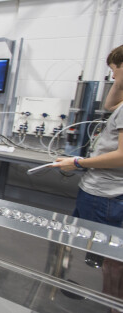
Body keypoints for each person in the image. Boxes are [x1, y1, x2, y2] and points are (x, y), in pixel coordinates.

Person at [51, 44, 123, 227]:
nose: (113, 76)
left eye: (114, 70)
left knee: (97, 251)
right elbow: (110, 105)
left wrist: (77, 162)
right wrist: (119, 81)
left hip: (107, 194)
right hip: (106, 191)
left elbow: (121, 156)